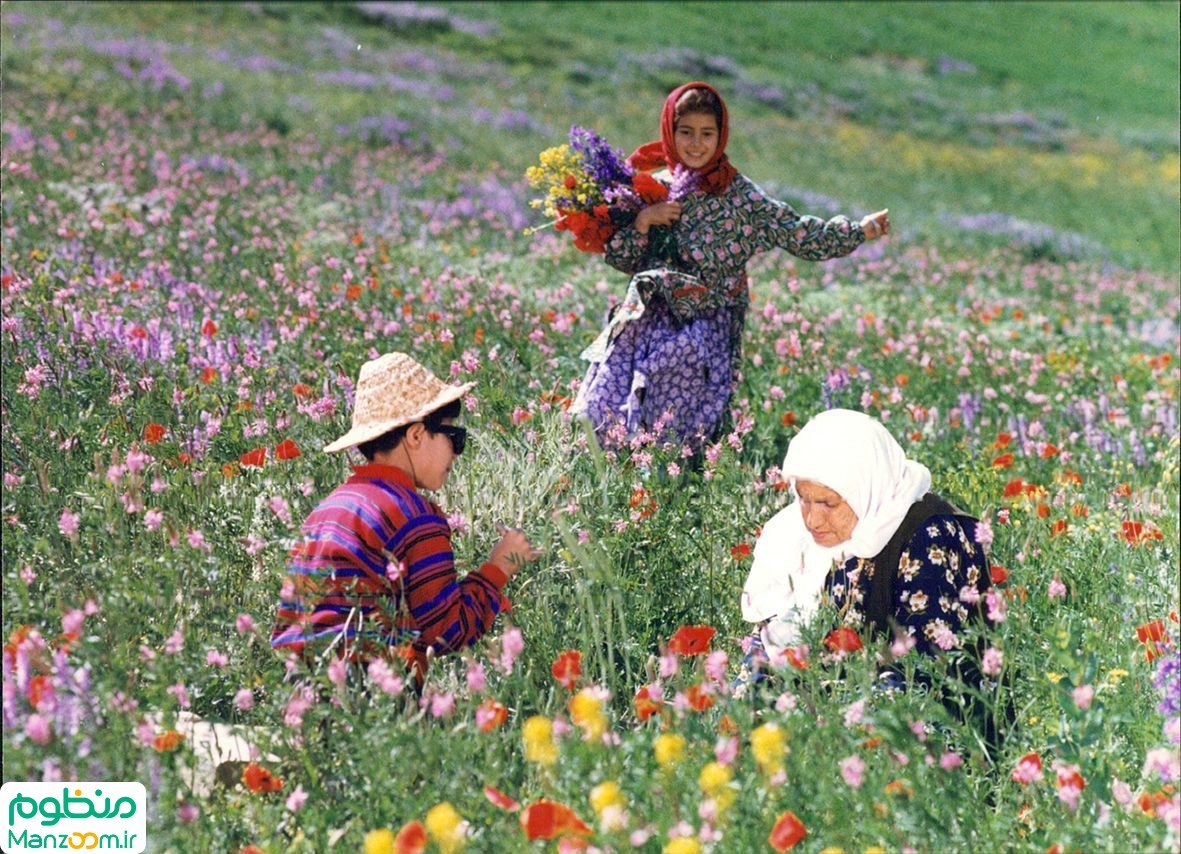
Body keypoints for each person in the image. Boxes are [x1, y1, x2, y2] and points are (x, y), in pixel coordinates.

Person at [572, 82, 889, 447]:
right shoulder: (652, 188)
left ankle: (667, 478)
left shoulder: (739, 195)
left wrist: (858, 231)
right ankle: (610, 466)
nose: (695, 143)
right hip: (648, 316)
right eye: (685, 132)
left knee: (677, 403)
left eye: (707, 134)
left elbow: (796, 231)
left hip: (708, 319)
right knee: (608, 404)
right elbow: (622, 257)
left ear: (721, 136)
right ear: (669, 133)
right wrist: (644, 220)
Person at [271, 352, 541, 689]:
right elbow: (444, 632)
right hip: (367, 698)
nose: (456, 453)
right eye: (453, 438)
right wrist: (499, 566)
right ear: (415, 436)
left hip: (298, 691)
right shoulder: (415, 517)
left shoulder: (325, 510)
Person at [738, 409, 999, 738]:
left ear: (867, 487)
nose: (811, 520)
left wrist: (825, 721)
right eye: (803, 499)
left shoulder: (929, 535)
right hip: (833, 705)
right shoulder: (799, 537)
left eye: (828, 504)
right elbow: (775, 635)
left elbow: (926, 671)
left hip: (925, 732)